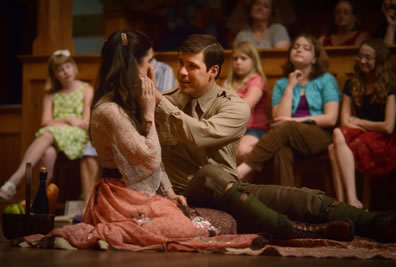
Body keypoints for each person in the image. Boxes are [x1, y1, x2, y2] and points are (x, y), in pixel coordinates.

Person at [29, 30, 267, 252]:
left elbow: (157, 160)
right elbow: (151, 158)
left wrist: (171, 193)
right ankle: (101, 233)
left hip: (148, 192)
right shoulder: (109, 109)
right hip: (121, 197)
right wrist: (148, 115)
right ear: (134, 65)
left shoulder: (131, 100)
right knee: (201, 229)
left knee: (225, 222)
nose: (154, 67)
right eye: (149, 61)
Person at [154, 33, 396, 243]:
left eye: (192, 66)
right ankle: (296, 231)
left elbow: (199, 135)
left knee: (303, 198)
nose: (182, 72)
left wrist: (161, 103)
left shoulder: (234, 107)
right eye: (180, 63)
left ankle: (373, 222)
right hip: (186, 189)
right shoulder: (164, 101)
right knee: (209, 174)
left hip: (229, 188)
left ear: (213, 71)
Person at [238, 33, 340, 187]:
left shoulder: (326, 80)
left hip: (319, 135)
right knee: (280, 152)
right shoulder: (282, 84)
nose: (299, 50)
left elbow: (330, 118)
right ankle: (287, 203)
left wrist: (294, 121)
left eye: (306, 48)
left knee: (286, 127)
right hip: (287, 136)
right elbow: (280, 117)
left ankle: (243, 169)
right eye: (295, 47)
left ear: (314, 59)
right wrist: (291, 85)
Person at [0, 50, 93, 200]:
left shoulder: (86, 89)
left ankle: (14, 180)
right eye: (60, 70)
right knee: (47, 153)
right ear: (55, 75)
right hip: (55, 136)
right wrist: (69, 119)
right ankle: (39, 197)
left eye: (67, 66)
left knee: (47, 133)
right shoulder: (51, 96)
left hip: (78, 136)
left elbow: (85, 123)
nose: (65, 72)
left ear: (74, 66)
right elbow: (45, 122)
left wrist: (59, 122)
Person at [328, 39, 396, 209]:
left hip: (383, 140)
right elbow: (345, 121)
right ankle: (349, 202)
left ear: (379, 60)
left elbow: (388, 126)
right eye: (360, 56)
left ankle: (347, 204)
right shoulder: (352, 83)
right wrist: (360, 124)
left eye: (368, 58)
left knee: (333, 147)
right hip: (361, 134)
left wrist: (359, 122)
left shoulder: (389, 86)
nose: (362, 61)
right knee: (337, 134)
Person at [222, 41, 269, 164]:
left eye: (243, 58)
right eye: (235, 58)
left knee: (243, 150)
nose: (238, 62)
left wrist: (228, 101)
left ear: (253, 61)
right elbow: (219, 107)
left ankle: (244, 183)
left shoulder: (257, 80)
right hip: (231, 129)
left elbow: (246, 105)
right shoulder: (227, 82)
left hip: (254, 129)